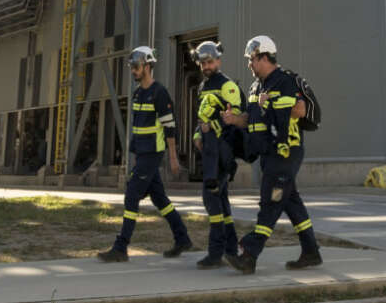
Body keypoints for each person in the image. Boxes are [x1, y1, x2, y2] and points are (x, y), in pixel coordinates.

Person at [221, 35, 321, 274]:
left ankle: (249, 254)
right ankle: (311, 252)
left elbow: (300, 109)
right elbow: (252, 118)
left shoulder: (285, 82)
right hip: (267, 154)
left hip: (285, 152)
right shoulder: (256, 87)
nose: (249, 64)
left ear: (265, 57)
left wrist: (272, 106)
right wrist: (234, 119)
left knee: (271, 201)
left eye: (252, 59)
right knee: (290, 202)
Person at [98, 46, 193, 262]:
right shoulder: (138, 93)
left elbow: (170, 126)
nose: (133, 71)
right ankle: (183, 238)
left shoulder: (159, 93)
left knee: (131, 195)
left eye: (136, 67)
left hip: (153, 153)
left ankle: (121, 247)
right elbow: (138, 127)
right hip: (141, 153)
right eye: (131, 67)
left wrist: (172, 156)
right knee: (160, 199)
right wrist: (131, 155)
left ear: (148, 66)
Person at [190, 41, 245, 268]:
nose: (206, 66)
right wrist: (197, 135)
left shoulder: (227, 85)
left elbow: (239, 119)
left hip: (222, 153)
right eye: (203, 62)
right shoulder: (203, 86)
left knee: (211, 198)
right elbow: (204, 118)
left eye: (210, 62)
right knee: (221, 202)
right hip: (210, 153)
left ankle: (215, 253)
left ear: (218, 60)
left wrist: (214, 128)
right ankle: (230, 250)